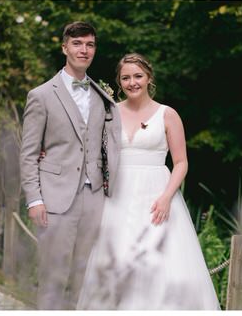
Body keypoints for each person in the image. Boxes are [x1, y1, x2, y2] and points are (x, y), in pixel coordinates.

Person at [77, 53, 220, 310]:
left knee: (161, 260)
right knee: (116, 256)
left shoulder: (167, 115)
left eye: (138, 76)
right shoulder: (110, 112)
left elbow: (181, 163)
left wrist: (166, 197)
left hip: (156, 195)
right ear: (119, 82)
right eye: (126, 78)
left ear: (148, 78)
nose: (132, 82)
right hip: (119, 197)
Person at [19, 21, 121, 309]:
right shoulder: (40, 95)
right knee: (53, 275)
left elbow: (108, 142)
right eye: (77, 44)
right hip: (55, 197)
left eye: (89, 44)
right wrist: (34, 199)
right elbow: (28, 153)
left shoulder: (103, 96)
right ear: (64, 47)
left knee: (84, 275)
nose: (84, 50)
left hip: (95, 198)